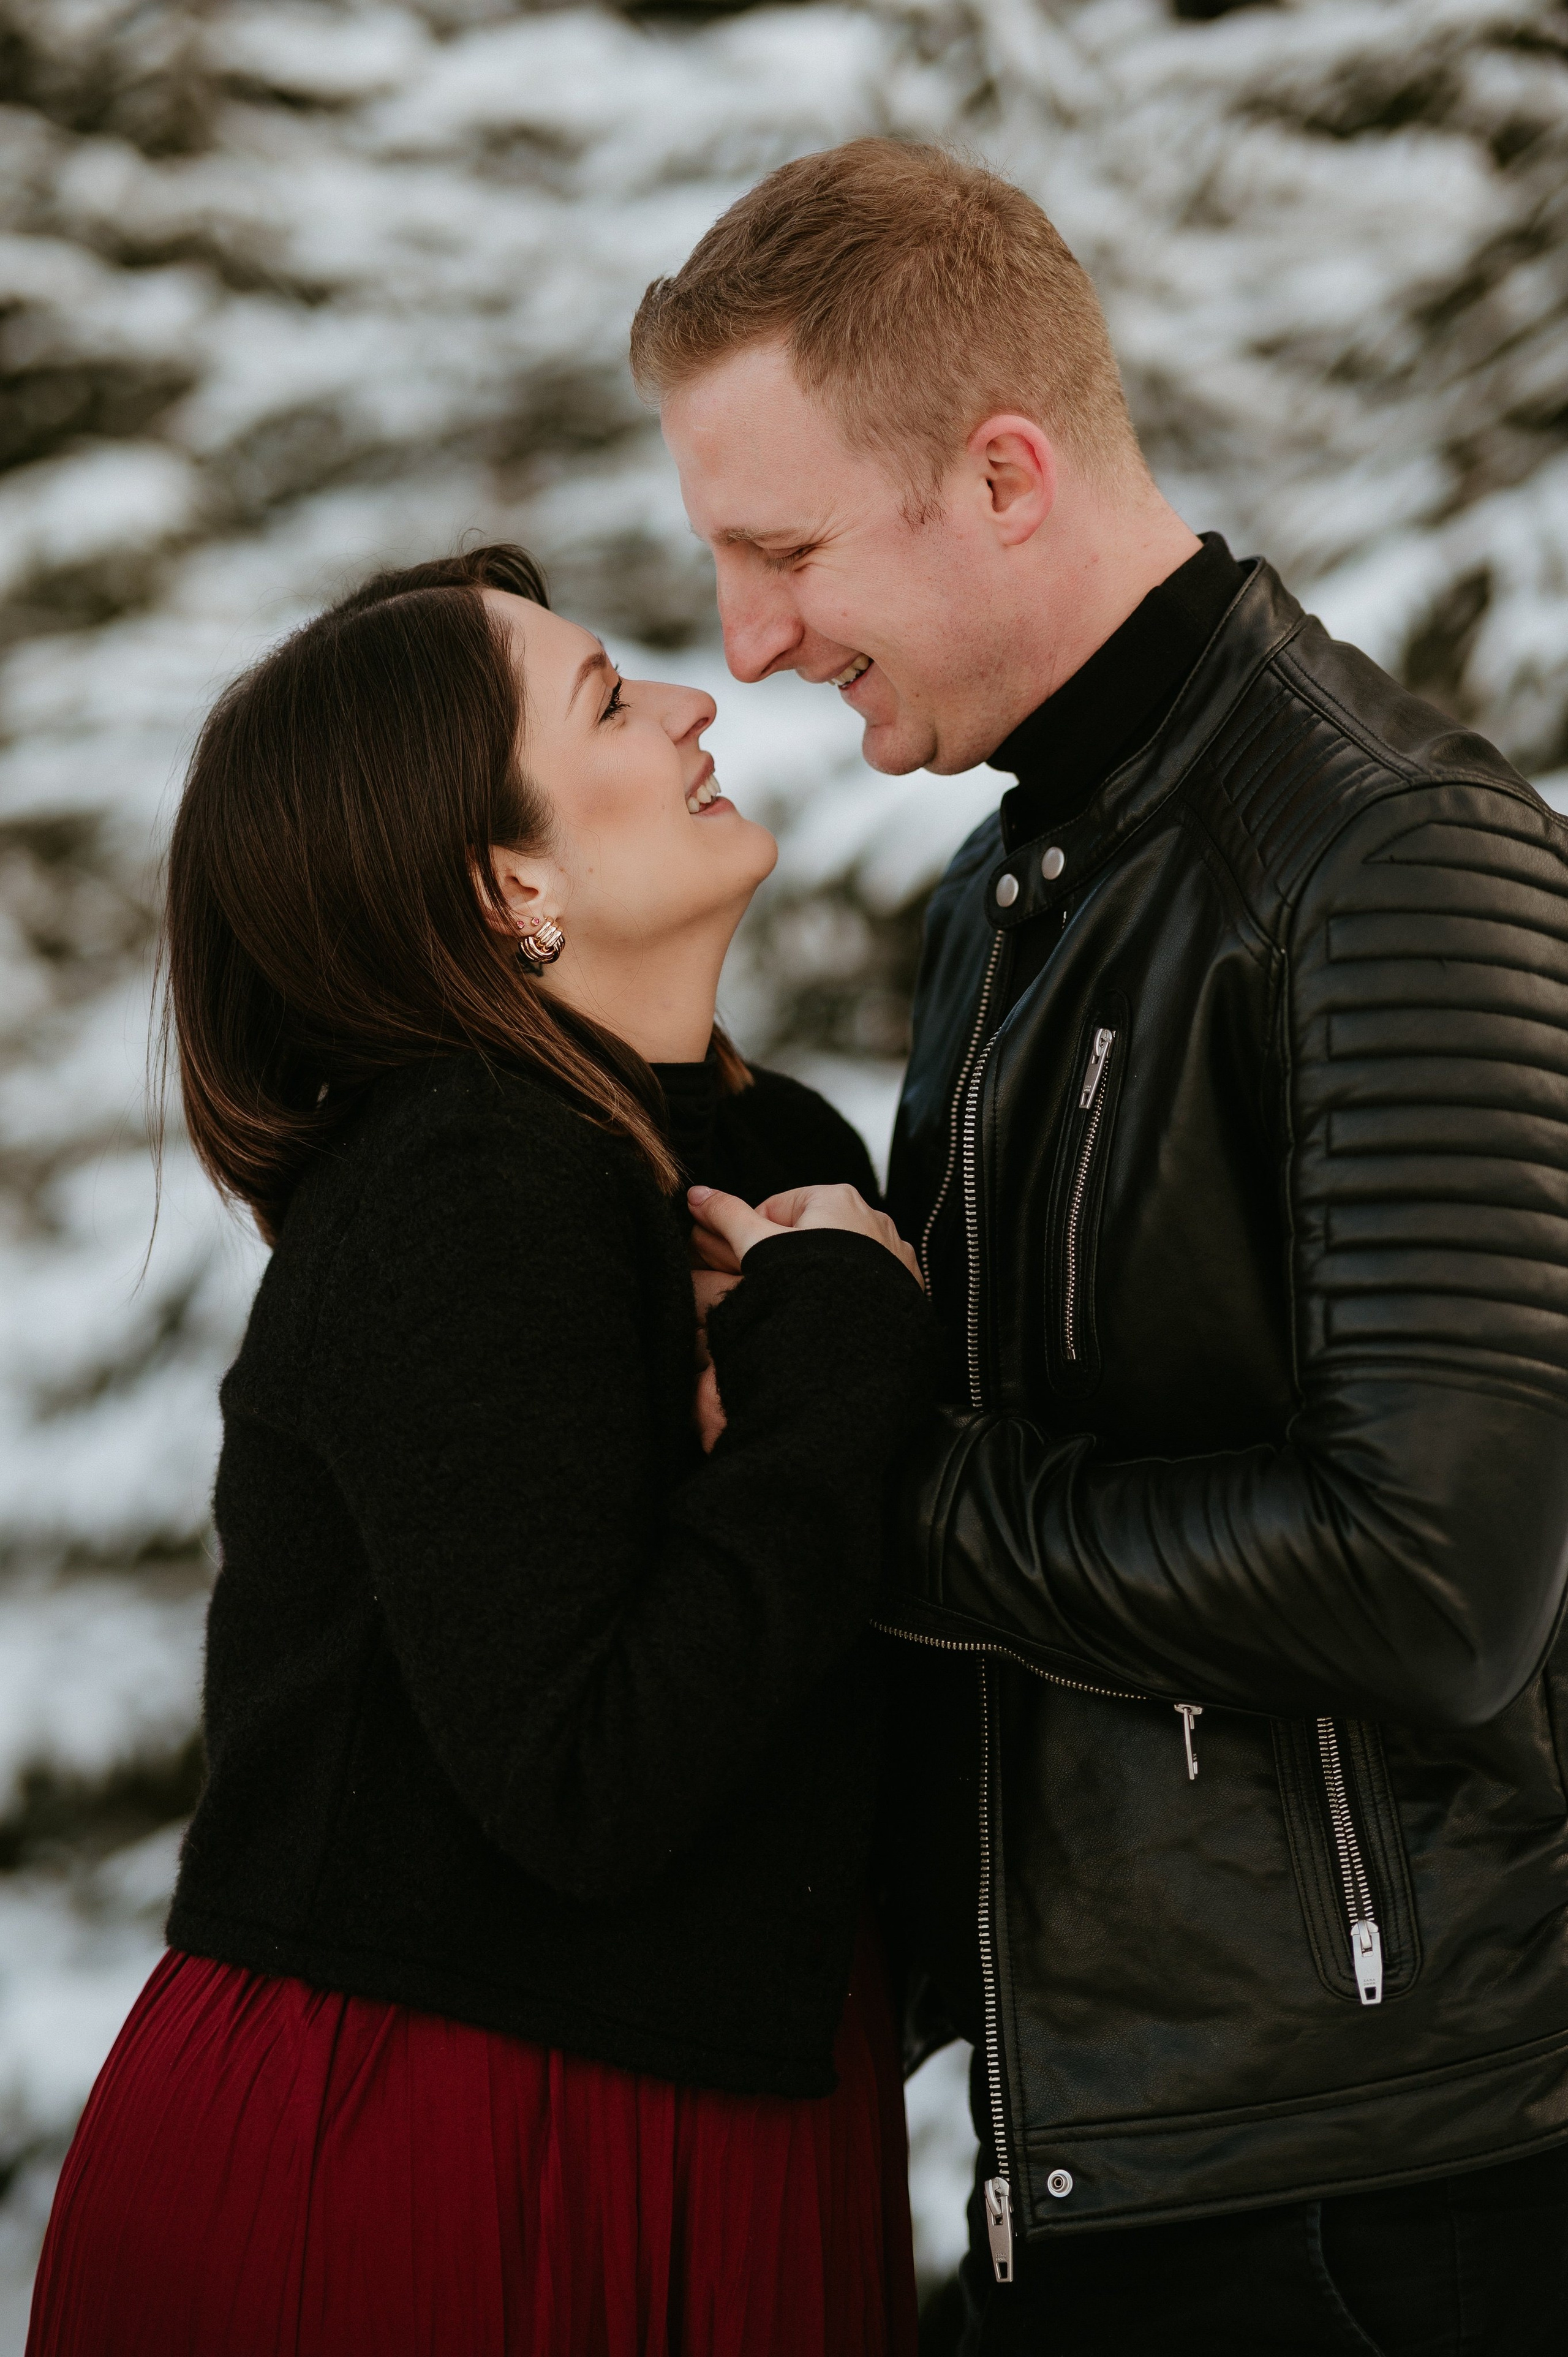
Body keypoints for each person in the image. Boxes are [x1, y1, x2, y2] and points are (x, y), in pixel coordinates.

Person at [635, 139, 1568, 2353]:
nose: (748, 641)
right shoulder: (1013, 882)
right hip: (1115, 2162)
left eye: (783, 552)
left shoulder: (1386, 860)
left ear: (1005, 474)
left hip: (1386, 2191)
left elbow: (1439, 1580)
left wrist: (871, 1493)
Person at [26, 545, 933, 2357]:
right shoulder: (470, 1174)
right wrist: (841, 1338)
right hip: (444, 2149)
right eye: (607, 696)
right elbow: (582, 1771)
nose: (695, 704)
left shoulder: (770, 1147)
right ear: (508, 880)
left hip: (722, 2111)